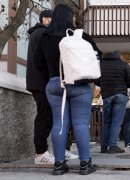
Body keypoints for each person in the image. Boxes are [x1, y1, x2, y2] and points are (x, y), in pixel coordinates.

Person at [34, 4, 101, 175]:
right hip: (79, 85)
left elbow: (38, 63)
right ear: (69, 18)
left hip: (55, 84)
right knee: (80, 124)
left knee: (59, 123)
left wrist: (53, 75)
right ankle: (85, 164)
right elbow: (97, 56)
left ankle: (59, 165)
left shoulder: (45, 36)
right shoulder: (81, 36)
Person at [26, 9, 77, 164]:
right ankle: (40, 153)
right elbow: (42, 62)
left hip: (42, 82)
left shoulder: (39, 34)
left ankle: (59, 150)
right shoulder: (42, 34)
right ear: (46, 20)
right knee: (45, 116)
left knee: (55, 117)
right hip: (41, 83)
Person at [96, 50, 130, 154]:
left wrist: (104, 84)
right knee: (116, 122)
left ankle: (103, 147)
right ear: (118, 56)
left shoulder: (101, 65)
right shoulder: (123, 64)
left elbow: (96, 80)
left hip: (107, 95)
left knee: (106, 121)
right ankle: (113, 146)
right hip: (120, 95)